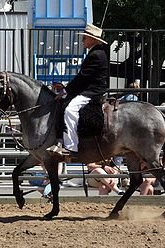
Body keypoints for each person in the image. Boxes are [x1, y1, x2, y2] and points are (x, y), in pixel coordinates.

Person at [47, 23, 108, 157]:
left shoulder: (96, 55)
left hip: (93, 91)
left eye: (85, 38)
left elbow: (82, 78)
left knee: (70, 110)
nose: (82, 40)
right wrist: (66, 88)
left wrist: (65, 91)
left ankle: (70, 146)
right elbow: (82, 78)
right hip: (90, 88)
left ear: (93, 39)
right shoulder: (96, 53)